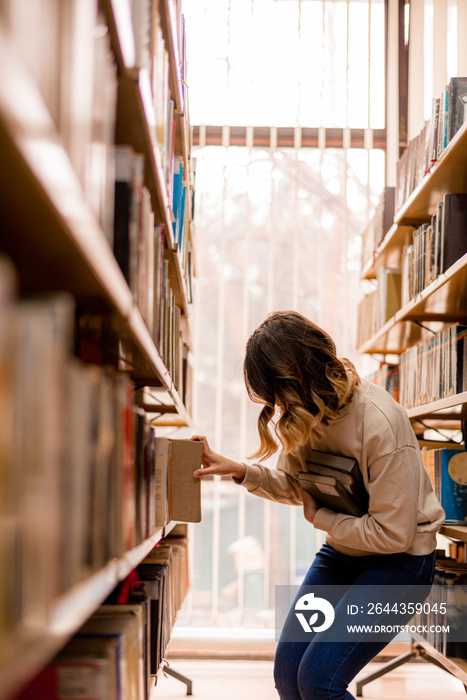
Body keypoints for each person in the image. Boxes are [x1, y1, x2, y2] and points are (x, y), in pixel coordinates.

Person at [191, 310, 445, 700]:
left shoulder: (378, 420)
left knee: (318, 681)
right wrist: (240, 470)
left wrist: (322, 517)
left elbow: (394, 534)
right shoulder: (305, 415)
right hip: (343, 554)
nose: (277, 409)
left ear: (296, 380)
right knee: (288, 677)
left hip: (400, 563)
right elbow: (297, 486)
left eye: (278, 395)